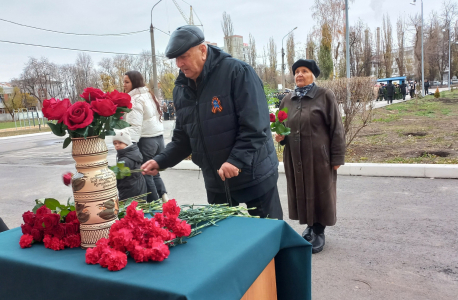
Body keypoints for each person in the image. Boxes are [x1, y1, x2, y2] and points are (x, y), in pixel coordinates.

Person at [141, 25, 283, 220]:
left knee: (268, 234)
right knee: (226, 240)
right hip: (217, 181)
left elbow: (255, 126)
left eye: (184, 56)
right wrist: (161, 160)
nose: (179, 64)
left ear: (202, 50)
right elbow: (184, 138)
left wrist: (236, 160)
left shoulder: (237, 72)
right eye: (176, 59)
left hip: (253, 174)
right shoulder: (182, 89)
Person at [275, 59, 345, 254]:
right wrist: (280, 136)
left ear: (313, 75)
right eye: (297, 71)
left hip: (319, 157)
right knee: (302, 190)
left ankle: (319, 230)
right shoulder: (288, 99)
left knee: (320, 191)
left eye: (304, 71)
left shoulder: (324, 95)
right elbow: (282, 126)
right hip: (295, 156)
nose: (299, 74)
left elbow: (336, 128)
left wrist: (337, 157)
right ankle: (309, 226)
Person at [122, 71, 168, 203]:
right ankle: (166, 202)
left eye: (127, 82)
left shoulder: (135, 99)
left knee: (145, 174)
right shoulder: (149, 95)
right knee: (154, 172)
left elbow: (135, 126)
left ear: (134, 82)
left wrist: (129, 146)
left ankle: (156, 207)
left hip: (146, 141)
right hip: (158, 139)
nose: (124, 85)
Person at [113, 130, 147, 200]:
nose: (117, 145)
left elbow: (118, 175)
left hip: (129, 190)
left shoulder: (125, 160)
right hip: (139, 187)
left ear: (127, 143)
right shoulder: (134, 152)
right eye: (115, 143)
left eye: (120, 142)